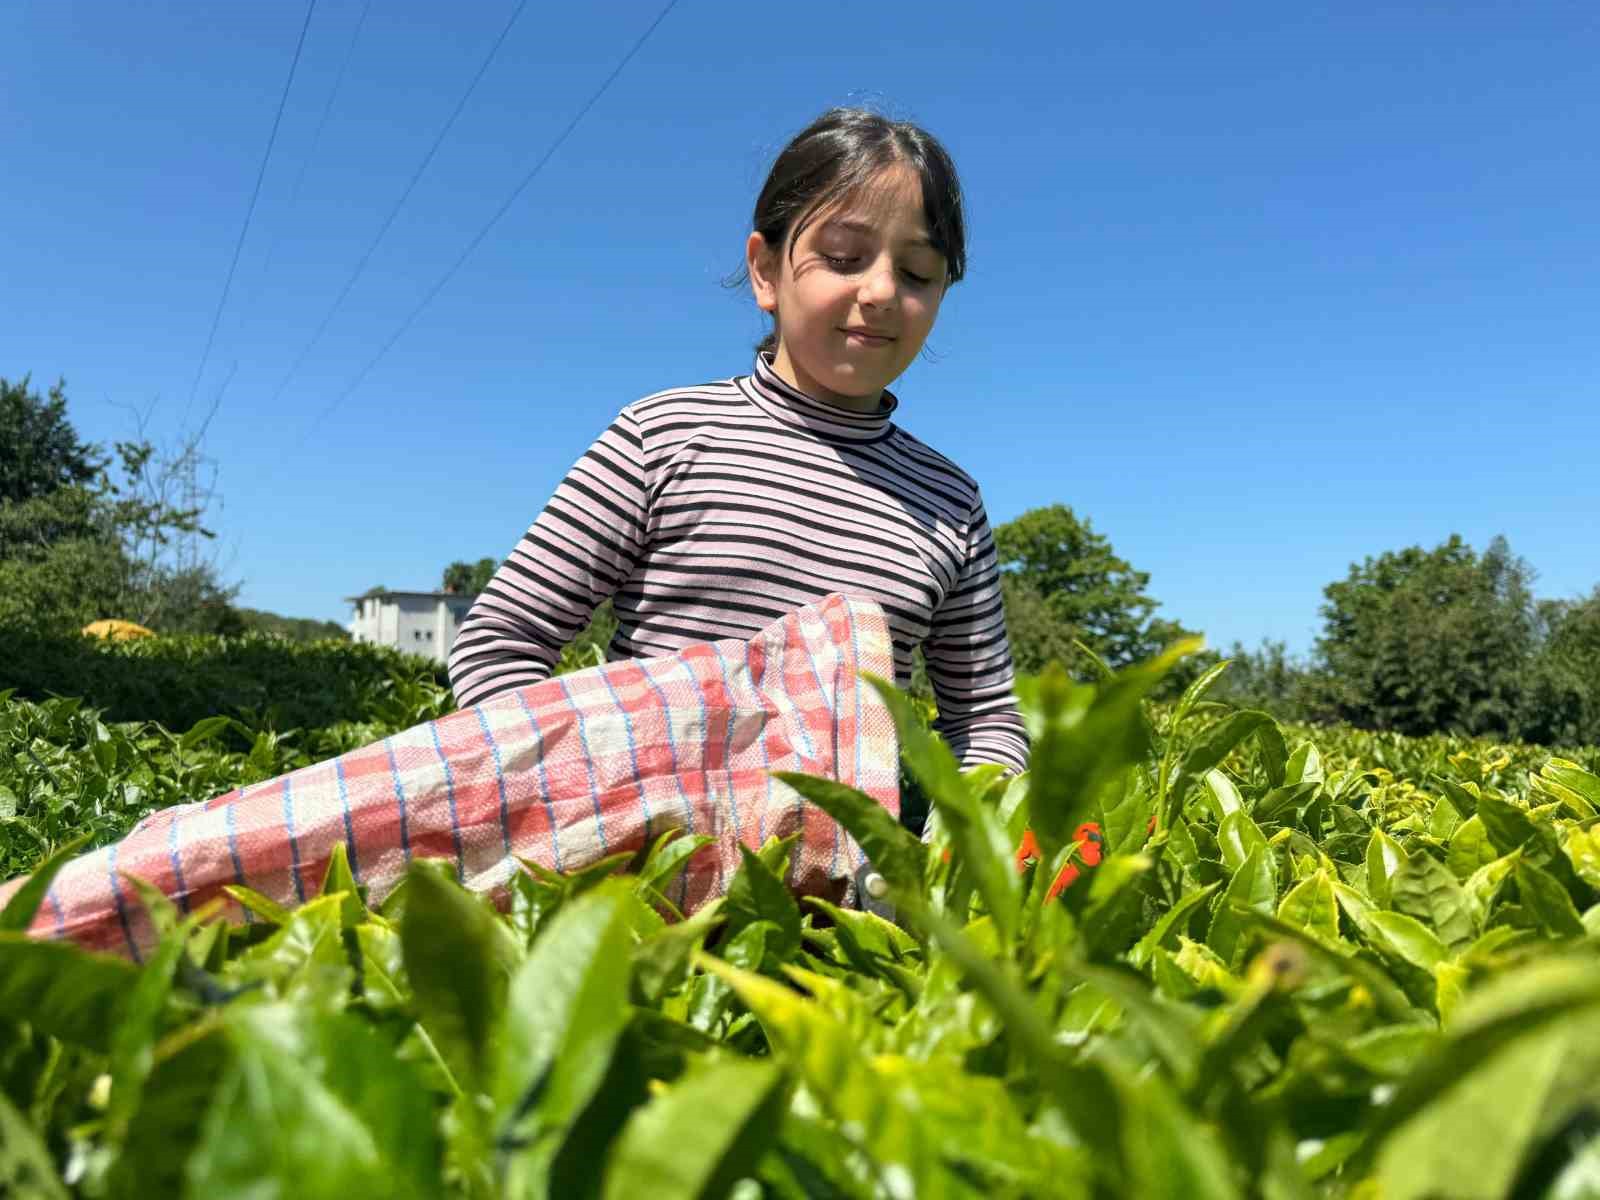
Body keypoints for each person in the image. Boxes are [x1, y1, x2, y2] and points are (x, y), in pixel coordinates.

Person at [447, 107, 1029, 801]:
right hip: (638, 873)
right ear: (764, 272)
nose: (880, 292)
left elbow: (987, 719)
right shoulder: (663, 437)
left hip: (851, 895)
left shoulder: (949, 504)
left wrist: (953, 847)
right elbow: (502, 641)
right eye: (843, 258)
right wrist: (580, 799)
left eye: (917, 272)